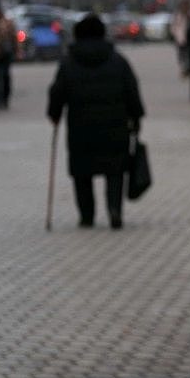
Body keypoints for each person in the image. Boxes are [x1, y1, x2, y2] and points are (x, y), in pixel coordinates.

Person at [47, 14, 145, 229]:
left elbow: (57, 93)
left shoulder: (69, 63)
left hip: (81, 129)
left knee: (82, 171)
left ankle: (87, 215)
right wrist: (136, 117)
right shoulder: (118, 61)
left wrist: (54, 115)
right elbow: (132, 91)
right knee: (115, 170)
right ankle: (114, 210)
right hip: (114, 128)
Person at [0, 4, 18, 111]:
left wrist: (18, 50)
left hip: (4, 55)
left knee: (5, 77)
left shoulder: (7, 23)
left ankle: (4, 99)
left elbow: (14, 37)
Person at [170, 0, 190, 77]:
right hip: (181, 38)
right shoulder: (178, 15)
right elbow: (174, 26)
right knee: (182, 55)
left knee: (187, 55)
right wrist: (174, 34)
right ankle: (184, 69)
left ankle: (187, 69)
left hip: (189, 38)